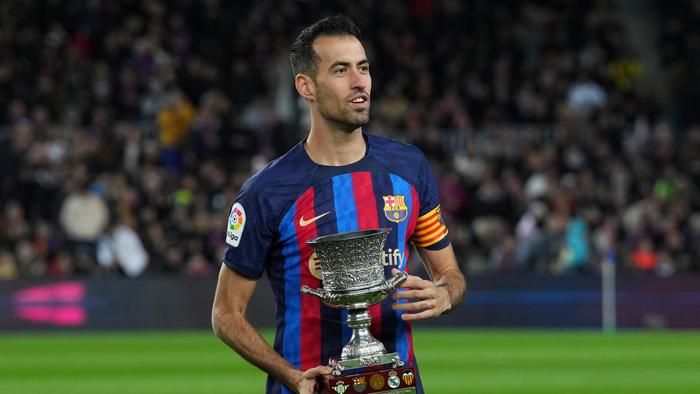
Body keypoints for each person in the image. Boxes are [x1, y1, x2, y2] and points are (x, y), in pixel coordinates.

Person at [212, 15, 467, 394]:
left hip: (395, 386)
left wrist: (445, 293)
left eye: (363, 68)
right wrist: (291, 375)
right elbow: (225, 314)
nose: (359, 81)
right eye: (341, 70)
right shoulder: (267, 192)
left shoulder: (409, 168)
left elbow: (450, 274)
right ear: (307, 86)